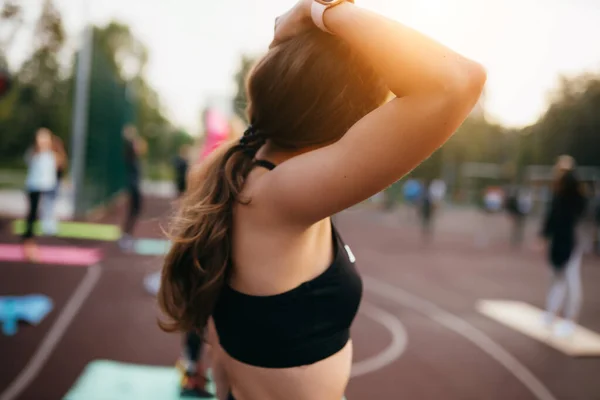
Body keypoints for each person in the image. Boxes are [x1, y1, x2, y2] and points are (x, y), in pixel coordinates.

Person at [158, 1, 486, 399]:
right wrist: (325, 12)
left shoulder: (251, 169)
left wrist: (307, 19)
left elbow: (291, 83)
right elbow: (459, 80)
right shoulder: (280, 194)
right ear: (346, 116)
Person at [541, 155, 587, 337]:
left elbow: (579, 202)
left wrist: (569, 172)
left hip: (571, 241)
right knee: (556, 278)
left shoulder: (574, 193)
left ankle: (570, 319)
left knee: (570, 280)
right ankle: (551, 313)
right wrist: (544, 235)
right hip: (558, 241)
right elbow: (551, 216)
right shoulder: (556, 195)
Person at [22, 128, 57, 262]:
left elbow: (51, 173)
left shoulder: (50, 154)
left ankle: (32, 239)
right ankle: (29, 242)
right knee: (33, 214)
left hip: (46, 189)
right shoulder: (34, 153)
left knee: (41, 215)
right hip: (34, 188)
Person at [119, 125, 145, 251]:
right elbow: (134, 144)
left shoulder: (135, 159)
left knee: (135, 211)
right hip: (133, 186)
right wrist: (131, 136)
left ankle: (127, 236)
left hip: (135, 185)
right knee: (132, 211)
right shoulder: (130, 153)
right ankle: (125, 237)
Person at [41, 134, 68, 236]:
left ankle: (50, 226)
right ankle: (47, 226)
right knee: (48, 204)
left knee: (50, 205)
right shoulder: (50, 156)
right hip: (49, 183)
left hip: (55, 183)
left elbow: (61, 169)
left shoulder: (57, 156)